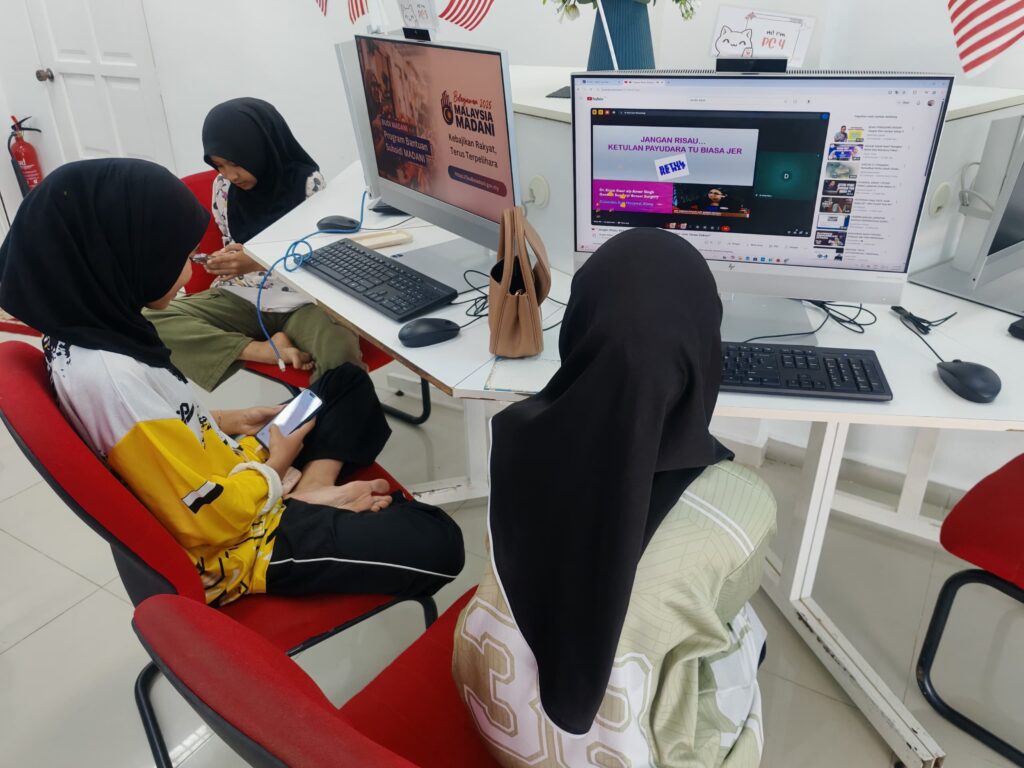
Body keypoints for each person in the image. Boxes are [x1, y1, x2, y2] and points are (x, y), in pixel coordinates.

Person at [0, 159, 464, 607]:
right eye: (179, 258)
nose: (190, 273)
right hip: (238, 543)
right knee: (438, 539)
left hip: (233, 466)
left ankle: (311, 489)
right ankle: (302, 502)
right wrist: (277, 463)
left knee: (345, 382)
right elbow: (208, 520)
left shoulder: (87, 329)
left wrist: (228, 420)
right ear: (123, 258)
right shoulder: (113, 378)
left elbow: (154, 438)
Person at [452, 228, 777, 767]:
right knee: (741, 628)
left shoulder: (515, 436)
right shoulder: (743, 504)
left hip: (489, 698)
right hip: (624, 748)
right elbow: (723, 606)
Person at [144, 98, 363, 392]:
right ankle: (262, 350)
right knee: (146, 320)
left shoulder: (306, 184)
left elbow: (318, 254)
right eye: (219, 165)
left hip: (303, 301)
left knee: (340, 356)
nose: (230, 175)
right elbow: (231, 240)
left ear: (262, 149)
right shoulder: (223, 187)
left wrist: (259, 260)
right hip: (242, 294)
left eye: (236, 163)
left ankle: (325, 418)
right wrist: (224, 260)